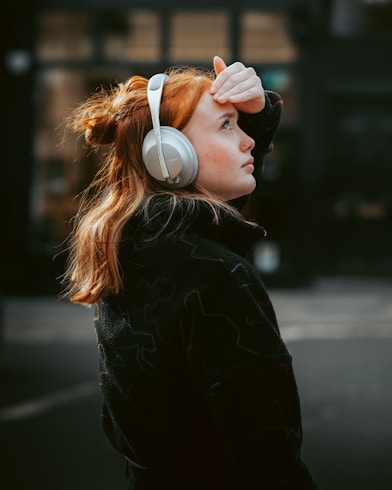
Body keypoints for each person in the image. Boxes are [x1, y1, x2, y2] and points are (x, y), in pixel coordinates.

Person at [63, 56, 318, 489]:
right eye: (226, 126)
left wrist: (256, 113)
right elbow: (269, 457)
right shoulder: (219, 276)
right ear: (169, 157)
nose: (248, 142)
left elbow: (209, 211)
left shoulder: (127, 251)